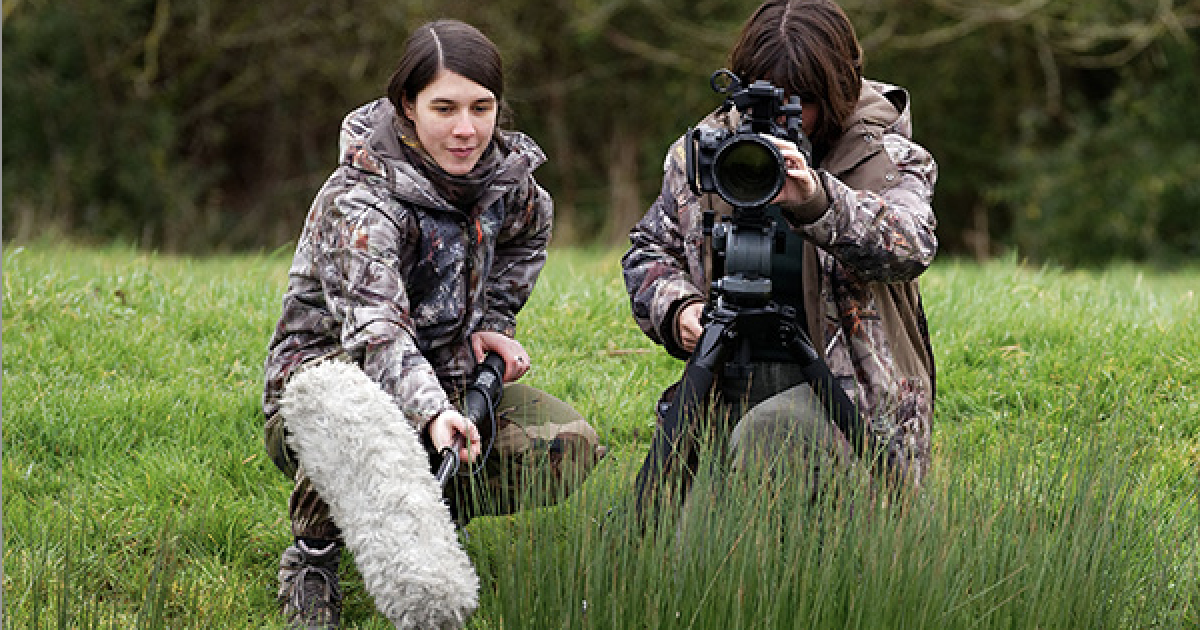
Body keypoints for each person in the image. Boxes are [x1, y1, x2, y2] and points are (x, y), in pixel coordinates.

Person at [261, 19, 604, 629]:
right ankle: (313, 558)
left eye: (482, 107)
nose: (466, 128)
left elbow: (527, 242)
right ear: (407, 108)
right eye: (444, 107)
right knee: (357, 411)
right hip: (330, 391)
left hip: (449, 381)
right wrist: (431, 411)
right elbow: (377, 334)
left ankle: (429, 518)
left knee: (567, 446)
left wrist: (494, 323)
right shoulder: (361, 201)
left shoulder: (514, 189)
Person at [622, 0, 937, 517]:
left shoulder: (886, 155)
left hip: (851, 405)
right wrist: (677, 309)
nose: (784, 116)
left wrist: (817, 199)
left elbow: (911, 244)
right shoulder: (708, 151)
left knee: (774, 437)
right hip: (729, 380)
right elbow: (650, 250)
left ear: (839, 89)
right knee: (688, 564)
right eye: (763, 96)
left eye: (803, 101)